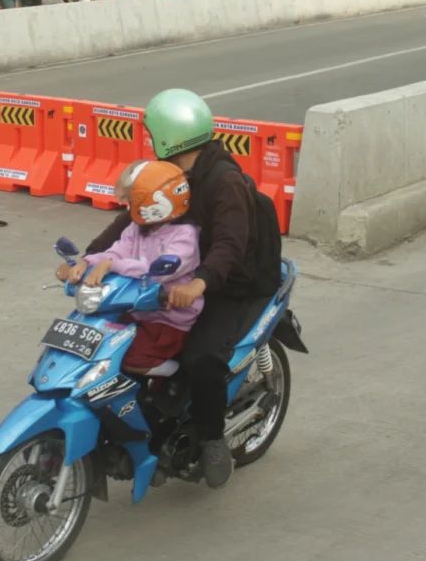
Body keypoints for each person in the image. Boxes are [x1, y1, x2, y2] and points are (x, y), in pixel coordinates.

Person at [81, 88, 270, 489]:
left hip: (228, 285)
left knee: (201, 359)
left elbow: (230, 246)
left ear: (169, 134)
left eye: (152, 134)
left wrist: (201, 282)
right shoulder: (168, 174)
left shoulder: (224, 182)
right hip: (174, 282)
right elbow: (130, 222)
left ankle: (213, 437)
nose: (149, 141)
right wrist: (88, 259)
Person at [59, 160, 203, 372]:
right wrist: (87, 262)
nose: (129, 206)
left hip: (168, 319)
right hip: (135, 311)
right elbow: (118, 250)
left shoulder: (184, 236)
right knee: (99, 348)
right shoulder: (137, 228)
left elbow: (154, 271)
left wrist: (111, 264)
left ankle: (177, 381)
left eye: (134, 200)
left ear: (156, 202)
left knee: (130, 361)